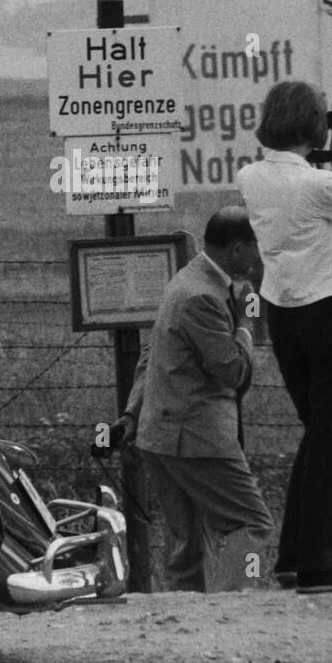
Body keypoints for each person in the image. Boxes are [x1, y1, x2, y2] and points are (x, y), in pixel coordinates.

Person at [235, 81, 332, 594]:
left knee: (317, 433)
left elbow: (299, 186)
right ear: (314, 127)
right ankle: (316, 565)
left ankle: (292, 556)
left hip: (283, 313)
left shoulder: (249, 177)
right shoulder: (318, 186)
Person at [114, 207, 274, 593]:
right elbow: (232, 370)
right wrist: (245, 326)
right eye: (257, 248)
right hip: (197, 435)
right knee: (250, 522)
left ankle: (186, 630)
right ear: (237, 249)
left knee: (185, 543)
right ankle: (238, 604)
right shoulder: (204, 296)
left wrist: (131, 415)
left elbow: (150, 357)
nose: (260, 257)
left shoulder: (184, 280)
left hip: (158, 434)